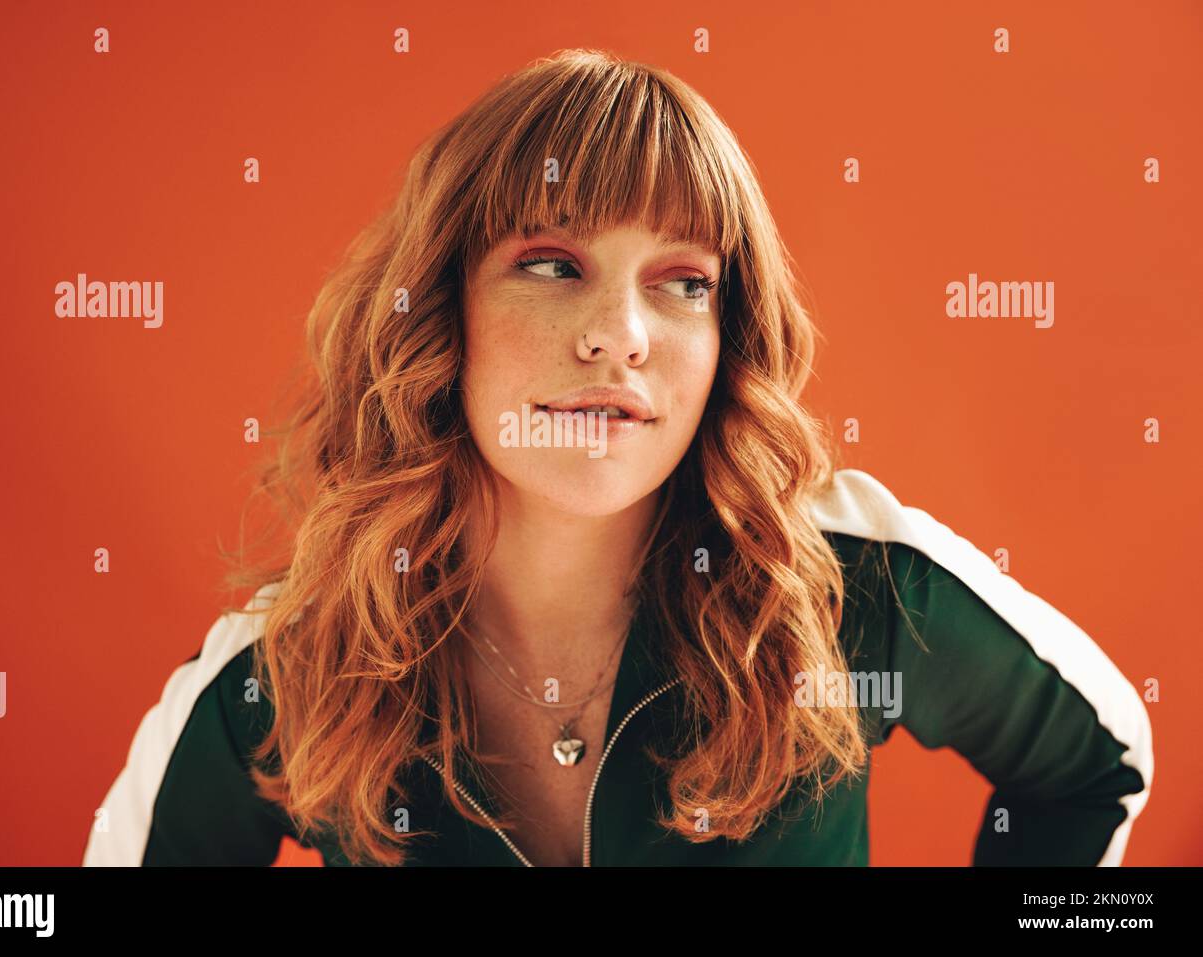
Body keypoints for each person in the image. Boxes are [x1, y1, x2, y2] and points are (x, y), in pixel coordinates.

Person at [82, 48, 1152, 867]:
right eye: (551, 264)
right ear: (435, 311)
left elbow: (1096, 767)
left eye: (683, 282)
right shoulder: (289, 670)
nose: (620, 335)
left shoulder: (850, 588)